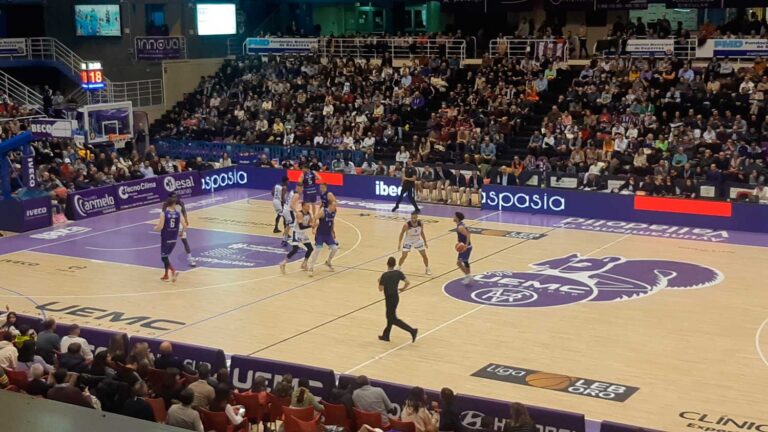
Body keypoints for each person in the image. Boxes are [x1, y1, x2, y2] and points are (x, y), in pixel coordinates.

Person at [378, 257, 418, 343]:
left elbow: (380, 289)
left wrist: (380, 281)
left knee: (392, 318)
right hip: (396, 297)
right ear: (395, 264)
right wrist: (403, 288)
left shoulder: (385, 275)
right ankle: (386, 335)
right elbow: (407, 282)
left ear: (387, 264)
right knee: (390, 316)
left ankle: (412, 330)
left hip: (389, 298)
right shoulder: (398, 273)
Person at [280, 201, 314, 274]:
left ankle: (304, 264)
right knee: (295, 249)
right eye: (307, 206)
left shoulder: (309, 214)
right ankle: (283, 263)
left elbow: (310, 222)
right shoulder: (299, 214)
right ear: (303, 206)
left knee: (310, 248)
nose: (309, 207)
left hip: (303, 234)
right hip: (297, 233)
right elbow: (301, 227)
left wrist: (314, 224)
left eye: (309, 206)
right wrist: (311, 226)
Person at [308, 201, 338, 276]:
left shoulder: (334, 211)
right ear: (330, 205)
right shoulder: (323, 211)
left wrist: (333, 231)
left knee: (334, 248)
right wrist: (313, 228)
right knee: (318, 249)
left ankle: (328, 262)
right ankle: (311, 267)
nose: (335, 207)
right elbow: (315, 218)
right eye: (334, 206)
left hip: (328, 234)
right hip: (320, 234)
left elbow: (332, 221)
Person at [154, 197, 181, 282]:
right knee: (166, 256)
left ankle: (173, 270)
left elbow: (160, 227)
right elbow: (179, 225)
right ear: (173, 204)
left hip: (166, 238)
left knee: (163, 258)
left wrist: (155, 228)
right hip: (174, 238)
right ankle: (166, 275)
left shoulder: (163, 214)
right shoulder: (178, 214)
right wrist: (180, 232)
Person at [166, 192, 196, 267]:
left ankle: (190, 259)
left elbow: (184, 211)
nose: (175, 198)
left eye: (175, 197)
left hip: (180, 224)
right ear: (170, 198)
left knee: (185, 241)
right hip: (172, 226)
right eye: (173, 197)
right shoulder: (167, 205)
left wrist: (186, 219)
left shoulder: (180, 203)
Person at [454, 212, 473, 285]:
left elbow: (468, 235)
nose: (453, 217)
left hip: (465, 247)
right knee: (464, 262)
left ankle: (468, 276)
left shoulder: (460, 227)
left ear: (457, 218)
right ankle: (468, 276)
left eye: (455, 216)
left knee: (459, 263)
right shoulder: (461, 224)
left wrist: (466, 245)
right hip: (464, 246)